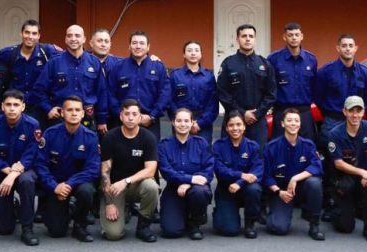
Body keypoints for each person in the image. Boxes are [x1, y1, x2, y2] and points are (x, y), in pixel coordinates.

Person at [314, 33, 367, 220]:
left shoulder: (364, 72)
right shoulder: (326, 71)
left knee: (357, 159)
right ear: (338, 48)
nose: (347, 48)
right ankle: (330, 203)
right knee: (331, 162)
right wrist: (331, 112)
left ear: (356, 48)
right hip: (333, 120)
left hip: (356, 121)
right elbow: (318, 96)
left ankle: (358, 203)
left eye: (350, 45)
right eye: (344, 45)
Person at [323, 95, 367, 242]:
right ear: (344, 112)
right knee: (345, 227)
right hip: (345, 177)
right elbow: (338, 163)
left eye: (358, 111)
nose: (355, 115)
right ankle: (338, 209)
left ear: (363, 112)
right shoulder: (335, 133)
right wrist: (363, 172)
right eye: (351, 111)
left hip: (364, 175)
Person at [35, 96, 100, 242]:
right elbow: (41, 165)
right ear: (62, 113)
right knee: (56, 231)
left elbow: (93, 169)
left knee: (86, 191)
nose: (74, 113)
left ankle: (80, 225)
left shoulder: (91, 137)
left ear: (83, 114)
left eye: (78, 110)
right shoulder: (50, 134)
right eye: (69, 110)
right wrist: (54, 186)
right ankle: (66, 209)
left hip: (78, 183)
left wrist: (70, 183)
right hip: (55, 184)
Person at [98, 99, 160, 242]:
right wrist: (109, 203)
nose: (131, 118)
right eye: (127, 114)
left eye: (134, 114)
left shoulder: (148, 138)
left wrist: (126, 181)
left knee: (152, 187)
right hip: (114, 188)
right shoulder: (110, 137)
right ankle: (122, 208)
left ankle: (143, 227)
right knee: (113, 235)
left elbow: (150, 171)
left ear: (140, 117)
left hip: (136, 185)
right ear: (121, 116)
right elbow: (105, 173)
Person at [0, 89, 40, 245]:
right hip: (2, 171)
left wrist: (14, 174)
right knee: (4, 228)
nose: (12, 108)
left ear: (23, 107)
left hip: (24, 170)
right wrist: (7, 171)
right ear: (2, 106)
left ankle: (27, 228)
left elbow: (31, 154)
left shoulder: (32, 125)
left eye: (16, 105)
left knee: (27, 182)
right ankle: (13, 208)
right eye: (8, 105)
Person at [262, 108, 325, 240]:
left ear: (300, 124)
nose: (293, 124)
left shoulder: (308, 145)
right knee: (278, 228)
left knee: (314, 183)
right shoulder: (271, 147)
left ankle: (314, 224)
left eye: (296, 121)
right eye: (289, 120)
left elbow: (317, 167)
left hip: (301, 189)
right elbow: (266, 176)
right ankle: (274, 212)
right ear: (282, 124)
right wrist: (279, 192)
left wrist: (296, 178)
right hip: (282, 191)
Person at [30, 25, 108, 130]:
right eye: (70, 36)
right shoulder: (54, 62)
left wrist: (102, 120)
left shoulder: (94, 62)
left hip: (87, 118)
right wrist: (48, 109)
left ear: (84, 39)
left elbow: (102, 92)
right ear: (66, 39)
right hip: (59, 118)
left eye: (77, 35)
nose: (73, 39)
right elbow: (38, 90)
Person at [217, 24, 276, 149]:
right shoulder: (228, 63)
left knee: (258, 157)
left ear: (255, 39)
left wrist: (257, 113)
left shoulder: (264, 64)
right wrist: (242, 113)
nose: (248, 39)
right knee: (230, 157)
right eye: (244, 36)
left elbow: (271, 93)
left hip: (258, 121)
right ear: (237, 39)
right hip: (233, 120)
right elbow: (222, 92)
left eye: (251, 36)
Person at [158, 108, 214, 240]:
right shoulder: (164, 145)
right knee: (171, 232)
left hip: (196, 189)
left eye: (186, 121)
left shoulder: (201, 143)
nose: (182, 124)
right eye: (179, 121)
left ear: (192, 123)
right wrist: (190, 178)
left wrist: (188, 183)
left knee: (200, 192)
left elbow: (208, 170)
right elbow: (166, 172)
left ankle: (194, 222)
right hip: (174, 189)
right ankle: (181, 214)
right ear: (173, 122)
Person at [102, 31, 170, 136]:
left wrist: (152, 116)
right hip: (122, 122)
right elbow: (110, 93)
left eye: (142, 43)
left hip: (150, 123)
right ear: (129, 46)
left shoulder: (158, 67)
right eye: (134, 43)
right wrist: (121, 115)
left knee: (149, 152)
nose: (138, 46)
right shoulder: (118, 67)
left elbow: (165, 94)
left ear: (148, 47)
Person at [0, 19, 60, 127]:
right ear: (21, 33)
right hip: (15, 108)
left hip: (39, 108)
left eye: (34, 33)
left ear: (39, 36)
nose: (30, 36)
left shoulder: (47, 51)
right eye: (27, 32)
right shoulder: (8, 53)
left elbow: (67, 59)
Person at [212, 110, 263, 238]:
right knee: (230, 231)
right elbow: (219, 170)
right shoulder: (218, 146)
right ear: (226, 128)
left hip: (245, 188)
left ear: (244, 126)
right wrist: (241, 175)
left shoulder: (253, 146)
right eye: (231, 125)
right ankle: (219, 212)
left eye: (239, 124)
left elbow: (257, 171)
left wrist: (240, 182)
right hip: (226, 190)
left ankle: (250, 222)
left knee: (254, 189)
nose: (235, 128)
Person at [267, 23, 318, 140]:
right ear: (284, 37)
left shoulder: (311, 59)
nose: (294, 38)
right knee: (279, 149)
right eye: (290, 35)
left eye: (296, 35)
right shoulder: (273, 59)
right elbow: (269, 86)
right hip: (282, 112)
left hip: (304, 113)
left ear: (302, 36)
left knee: (306, 148)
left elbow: (314, 86)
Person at [167, 41, 218, 145]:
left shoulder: (209, 76)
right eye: (189, 50)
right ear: (184, 55)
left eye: (196, 50)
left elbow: (213, 103)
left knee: (203, 155)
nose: (193, 53)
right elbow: (170, 100)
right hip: (181, 122)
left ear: (201, 54)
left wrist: (200, 123)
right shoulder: (175, 75)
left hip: (202, 123)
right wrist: (182, 121)